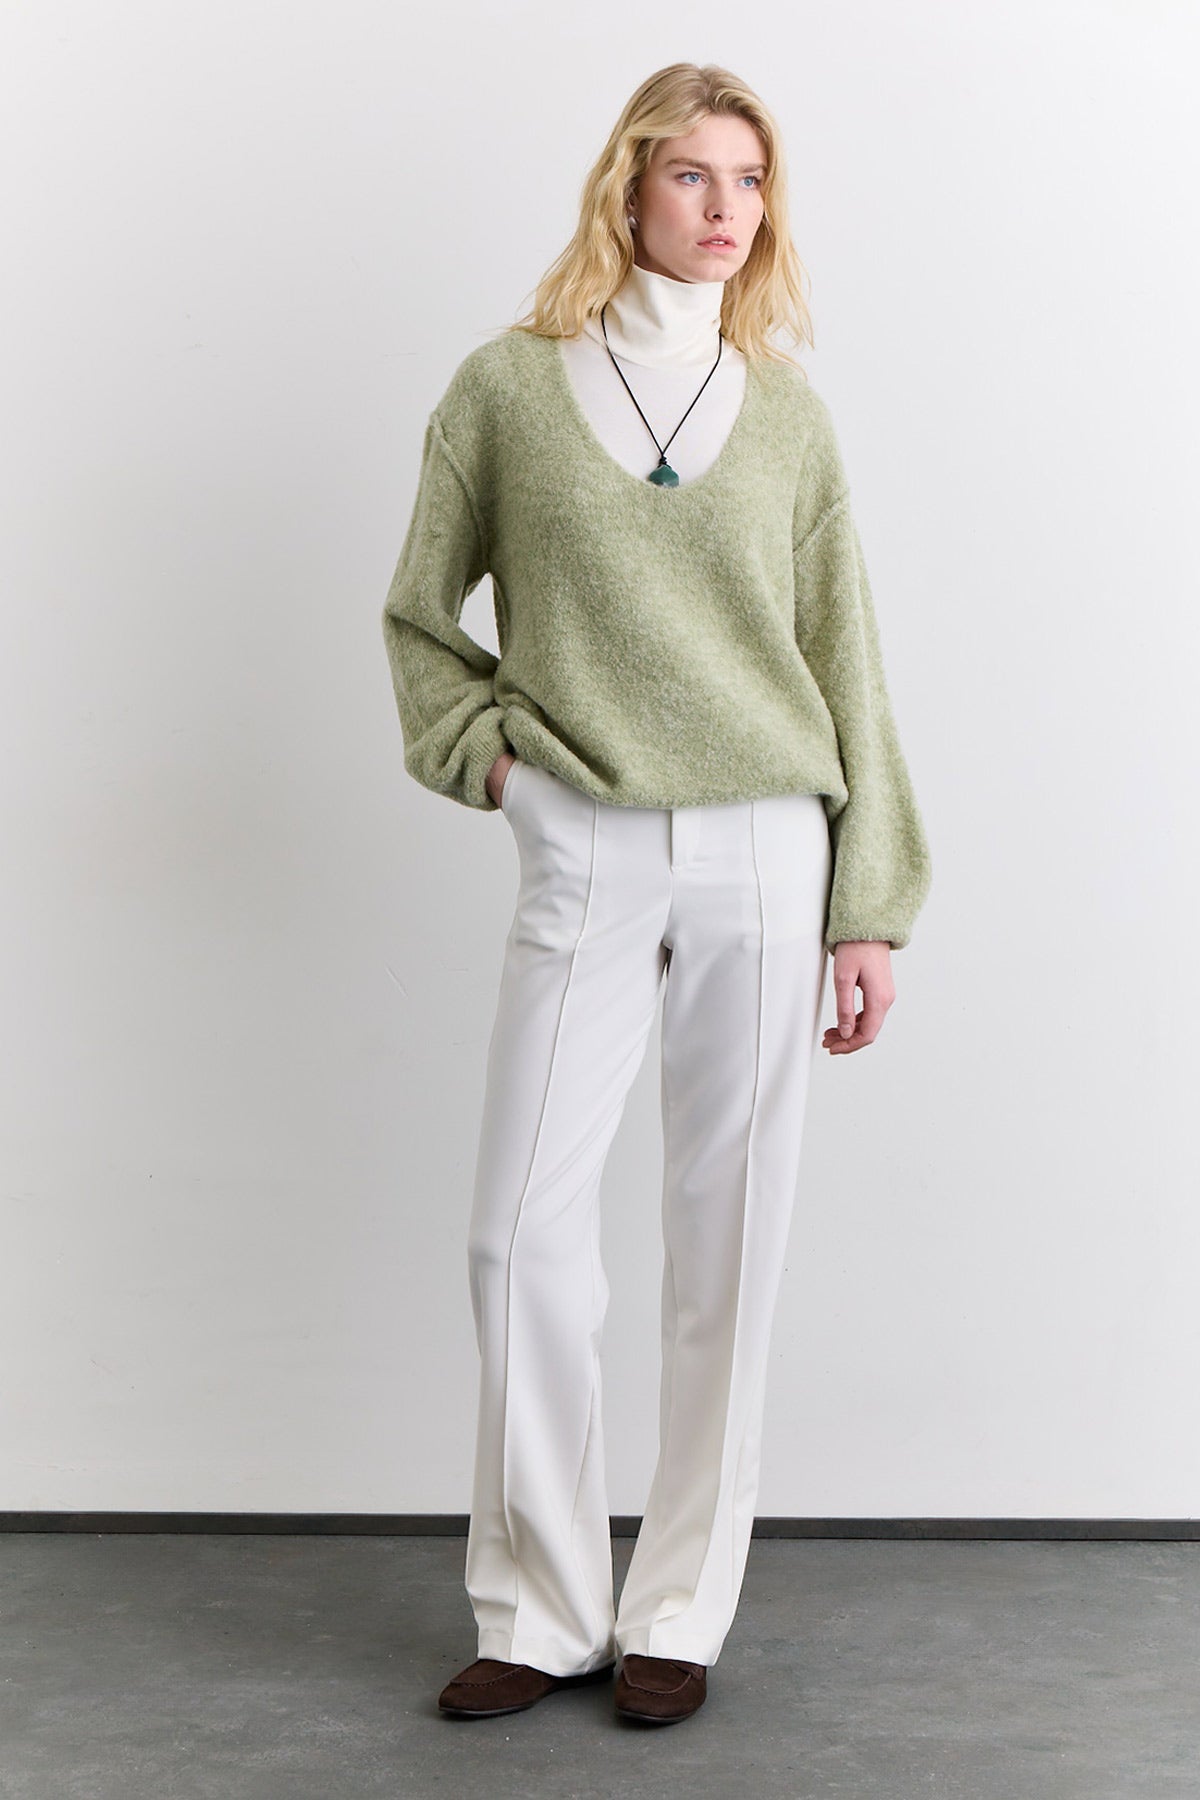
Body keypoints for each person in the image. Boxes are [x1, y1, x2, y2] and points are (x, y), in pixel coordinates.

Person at [380, 61, 932, 1727]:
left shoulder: (788, 412)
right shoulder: (505, 388)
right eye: (694, 175)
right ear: (626, 185)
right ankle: (544, 1604)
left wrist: (868, 904)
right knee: (517, 1235)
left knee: (727, 1243)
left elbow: (847, 662)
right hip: (589, 842)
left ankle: (678, 1607)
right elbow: (420, 620)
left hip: (768, 841)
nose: (725, 209)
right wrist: (499, 768)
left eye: (751, 182)